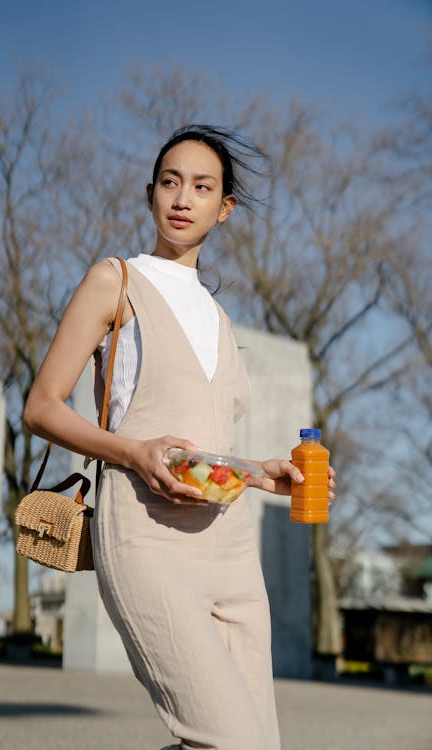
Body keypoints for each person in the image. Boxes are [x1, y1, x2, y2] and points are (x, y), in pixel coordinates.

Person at [24, 124, 336, 750]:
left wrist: (258, 472)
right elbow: (40, 408)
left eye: (202, 187)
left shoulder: (219, 318)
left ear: (225, 210)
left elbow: (200, 447)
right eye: (170, 183)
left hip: (230, 552)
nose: (183, 198)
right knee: (228, 740)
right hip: (144, 537)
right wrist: (132, 452)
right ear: (151, 195)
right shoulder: (115, 281)